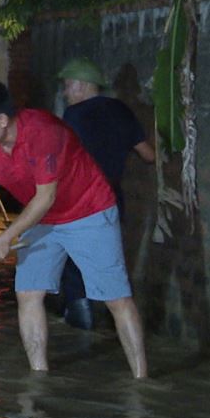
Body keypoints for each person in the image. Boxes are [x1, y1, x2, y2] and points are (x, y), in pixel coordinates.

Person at [0, 79, 148, 378]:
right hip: (42, 219)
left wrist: (5, 238)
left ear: (2, 120)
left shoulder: (43, 132)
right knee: (28, 293)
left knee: (116, 298)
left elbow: (45, 197)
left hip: (88, 211)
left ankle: (141, 378)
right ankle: (38, 376)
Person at [56, 57, 156, 330]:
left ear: (82, 85)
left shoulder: (74, 116)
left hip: (77, 200)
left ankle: (79, 309)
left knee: (71, 254)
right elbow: (148, 155)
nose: (65, 93)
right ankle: (113, 314)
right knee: (108, 257)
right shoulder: (121, 110)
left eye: (67, 86)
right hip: (111, 198)